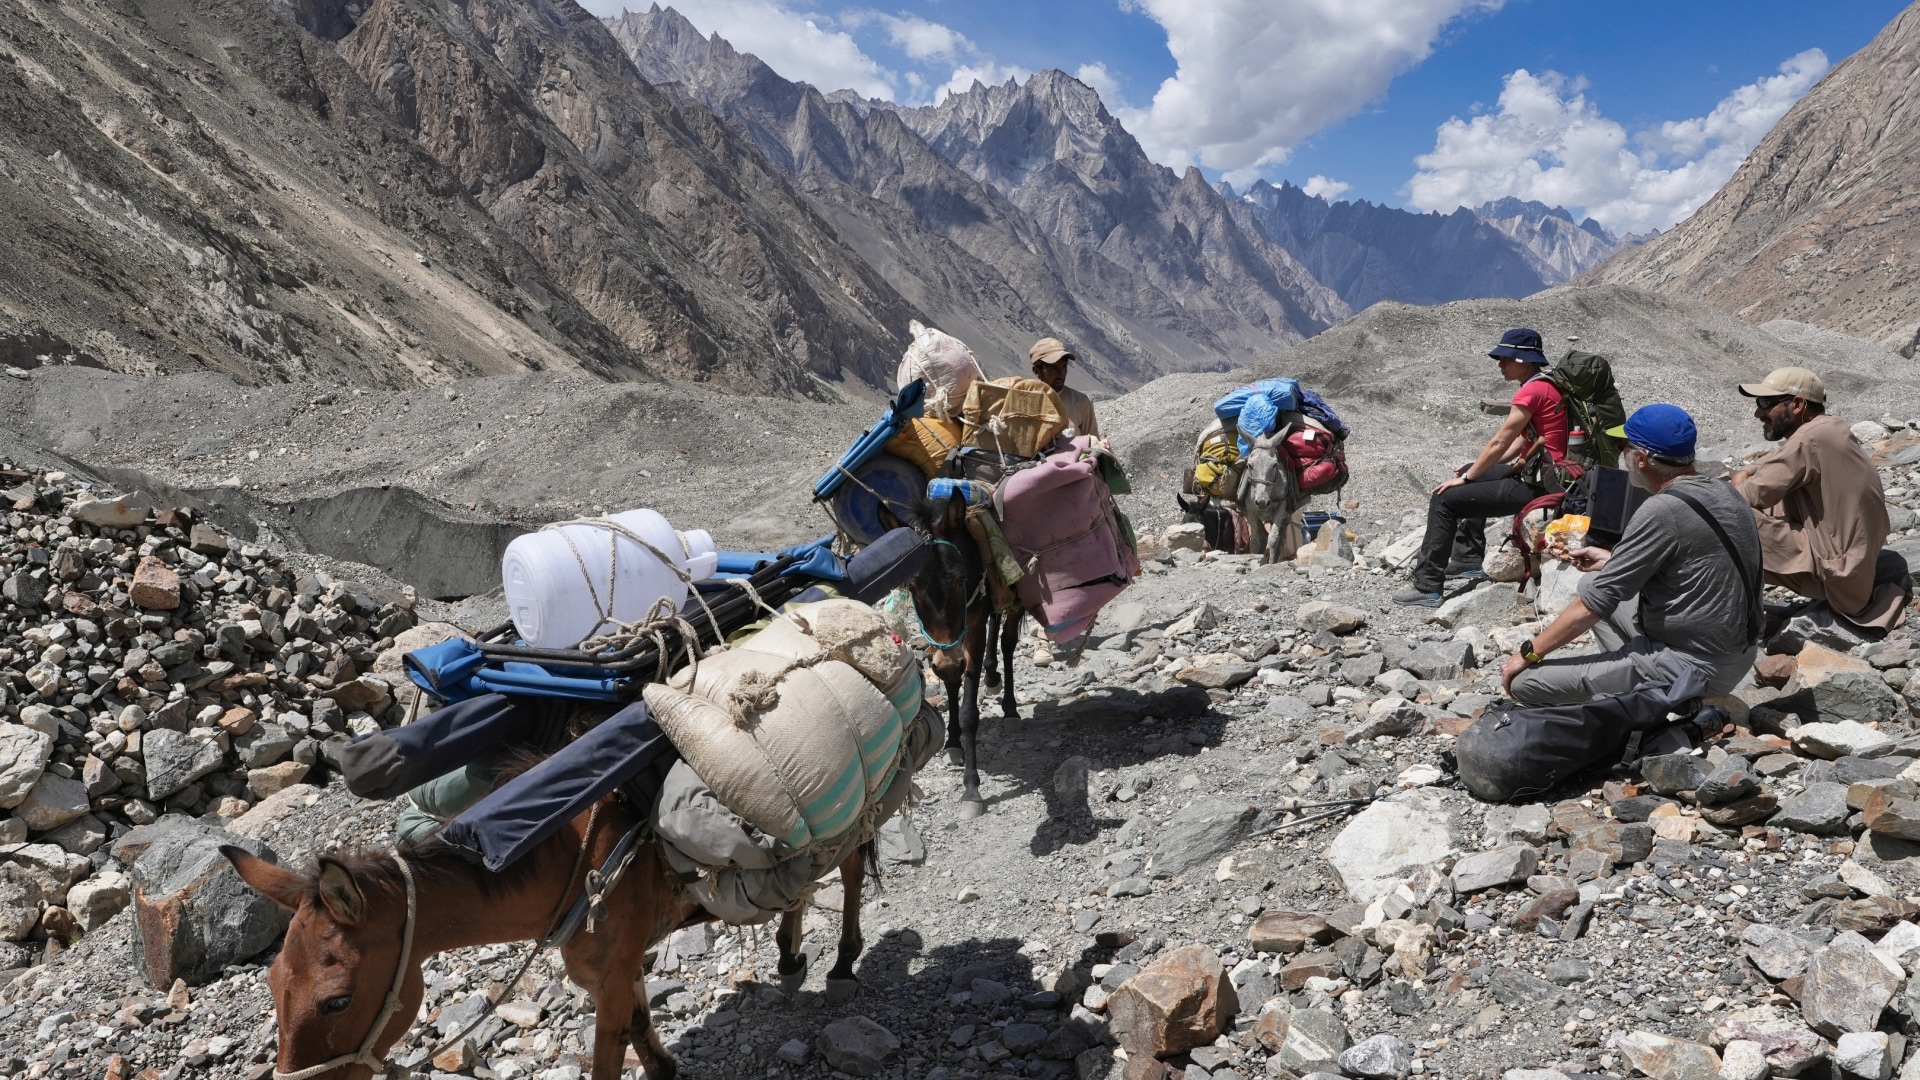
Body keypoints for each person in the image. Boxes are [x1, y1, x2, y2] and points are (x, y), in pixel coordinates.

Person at [1503, 404, 1762, 704]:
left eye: (1623, 447)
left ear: (1640, 459)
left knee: (1524, 682)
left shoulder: (1661, 509)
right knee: (1589, 582)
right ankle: (1627, 680)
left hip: (1695, 666)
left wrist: (1527, 653)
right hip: (1735, 652)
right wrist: (1613, 561)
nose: (1621, 455)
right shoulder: (1723, 491)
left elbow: (1592, 607)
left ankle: (1643, 691)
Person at [1393, 328, 1569, 606]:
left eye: (1505, 358)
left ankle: (1427, 585)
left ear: (1525, 360)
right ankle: (1467, 558)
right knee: (1469, 473)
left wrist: (1468, 477)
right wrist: (1475, 469)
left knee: (1445, 499)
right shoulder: (1545, 384)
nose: (1500, 364)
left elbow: (1501, 441)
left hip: (1538, 486)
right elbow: (1520, 441)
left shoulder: (1532, 391)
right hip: (1545, 475)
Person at [1731, 367, 1905, 635]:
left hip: (1838, 573)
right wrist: (1750, 470)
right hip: (1857, 567)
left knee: (1722, 519)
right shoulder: (1830, 428)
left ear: (1798, 404)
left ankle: (1723, 620)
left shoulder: (1806, 438)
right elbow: (1775, 461)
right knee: (1771, 502)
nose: (1758, 413)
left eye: (1766, 403)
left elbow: (1743, 497)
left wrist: (1739, 478)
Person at [1029, 338, 1099, 438]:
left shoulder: (1080, 402)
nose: (1061, 374)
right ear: (1037, 371)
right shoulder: (1025, 401)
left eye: (1063, 367)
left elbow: (1093, 443)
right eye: (1053, 368)